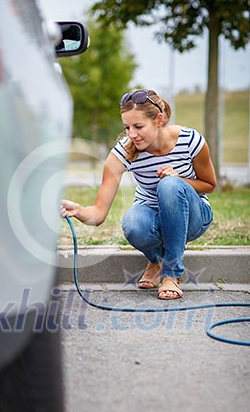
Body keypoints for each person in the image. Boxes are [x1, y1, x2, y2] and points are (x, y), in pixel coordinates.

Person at [61, 88, 217, 300]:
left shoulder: (190, 140)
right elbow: (98, 213)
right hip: (152, 217)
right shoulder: (124, 152)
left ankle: (171, 274)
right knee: (133, 222)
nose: (131, 134)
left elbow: (209, 184)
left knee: (169, 186)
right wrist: (79, 210)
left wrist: (178, 180)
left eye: (138, 126)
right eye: (127, 127)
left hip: (193, 216)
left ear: (159, 120)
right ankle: (157, 260)